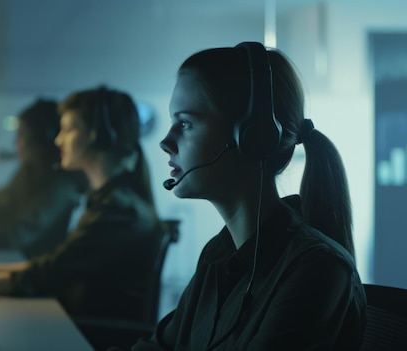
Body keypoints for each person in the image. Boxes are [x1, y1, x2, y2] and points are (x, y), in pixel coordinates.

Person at [121, 42, 366, 350]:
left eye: (185, 123)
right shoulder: (218, 258)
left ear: (252, 136)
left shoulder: (318, 272)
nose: (166, 142)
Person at [0, 86, 164, 324]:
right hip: (77, 325)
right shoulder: (110, 201)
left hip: (88, 335)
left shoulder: (118, 211)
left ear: (98, 137)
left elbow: (45, 275)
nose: (58, 140)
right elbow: (51, 266)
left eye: (68, 129)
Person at [0, 98, 88, 258]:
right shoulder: (31, 173)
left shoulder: (60, 185)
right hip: (20, 262)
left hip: (30, 267)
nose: (16, 142)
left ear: (40, 140)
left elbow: (19, 235)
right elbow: (3, 201)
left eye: (21, 134)